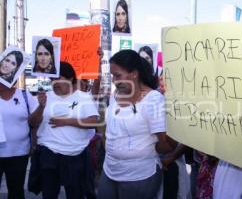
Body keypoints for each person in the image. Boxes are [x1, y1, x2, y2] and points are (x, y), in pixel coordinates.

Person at [97, 49, 176, 199]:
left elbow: (167, 144)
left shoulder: (153, 100)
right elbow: (110, 128)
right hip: (109, 171)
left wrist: (151, 149)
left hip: (139, 177)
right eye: (113, 76)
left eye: (118, 75)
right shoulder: (115, 96)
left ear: (134, 73)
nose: (114, 80)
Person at [29, 62, 99, 199]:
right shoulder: (45, 97)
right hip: (48, 154)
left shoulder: (83, 97)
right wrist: (41, 107)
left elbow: (93, 122)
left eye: (59, 78)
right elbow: (32, 122)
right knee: (49, 195)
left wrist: (67, 121)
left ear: (70, 79)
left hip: (75, 155)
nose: (55, 82)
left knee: (75, 195)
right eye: (53, 79)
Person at [0, 82, 37, 199]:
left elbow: (35, 122)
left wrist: (34, 143)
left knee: (16, 192)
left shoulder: (25, 95)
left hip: (19, 154)